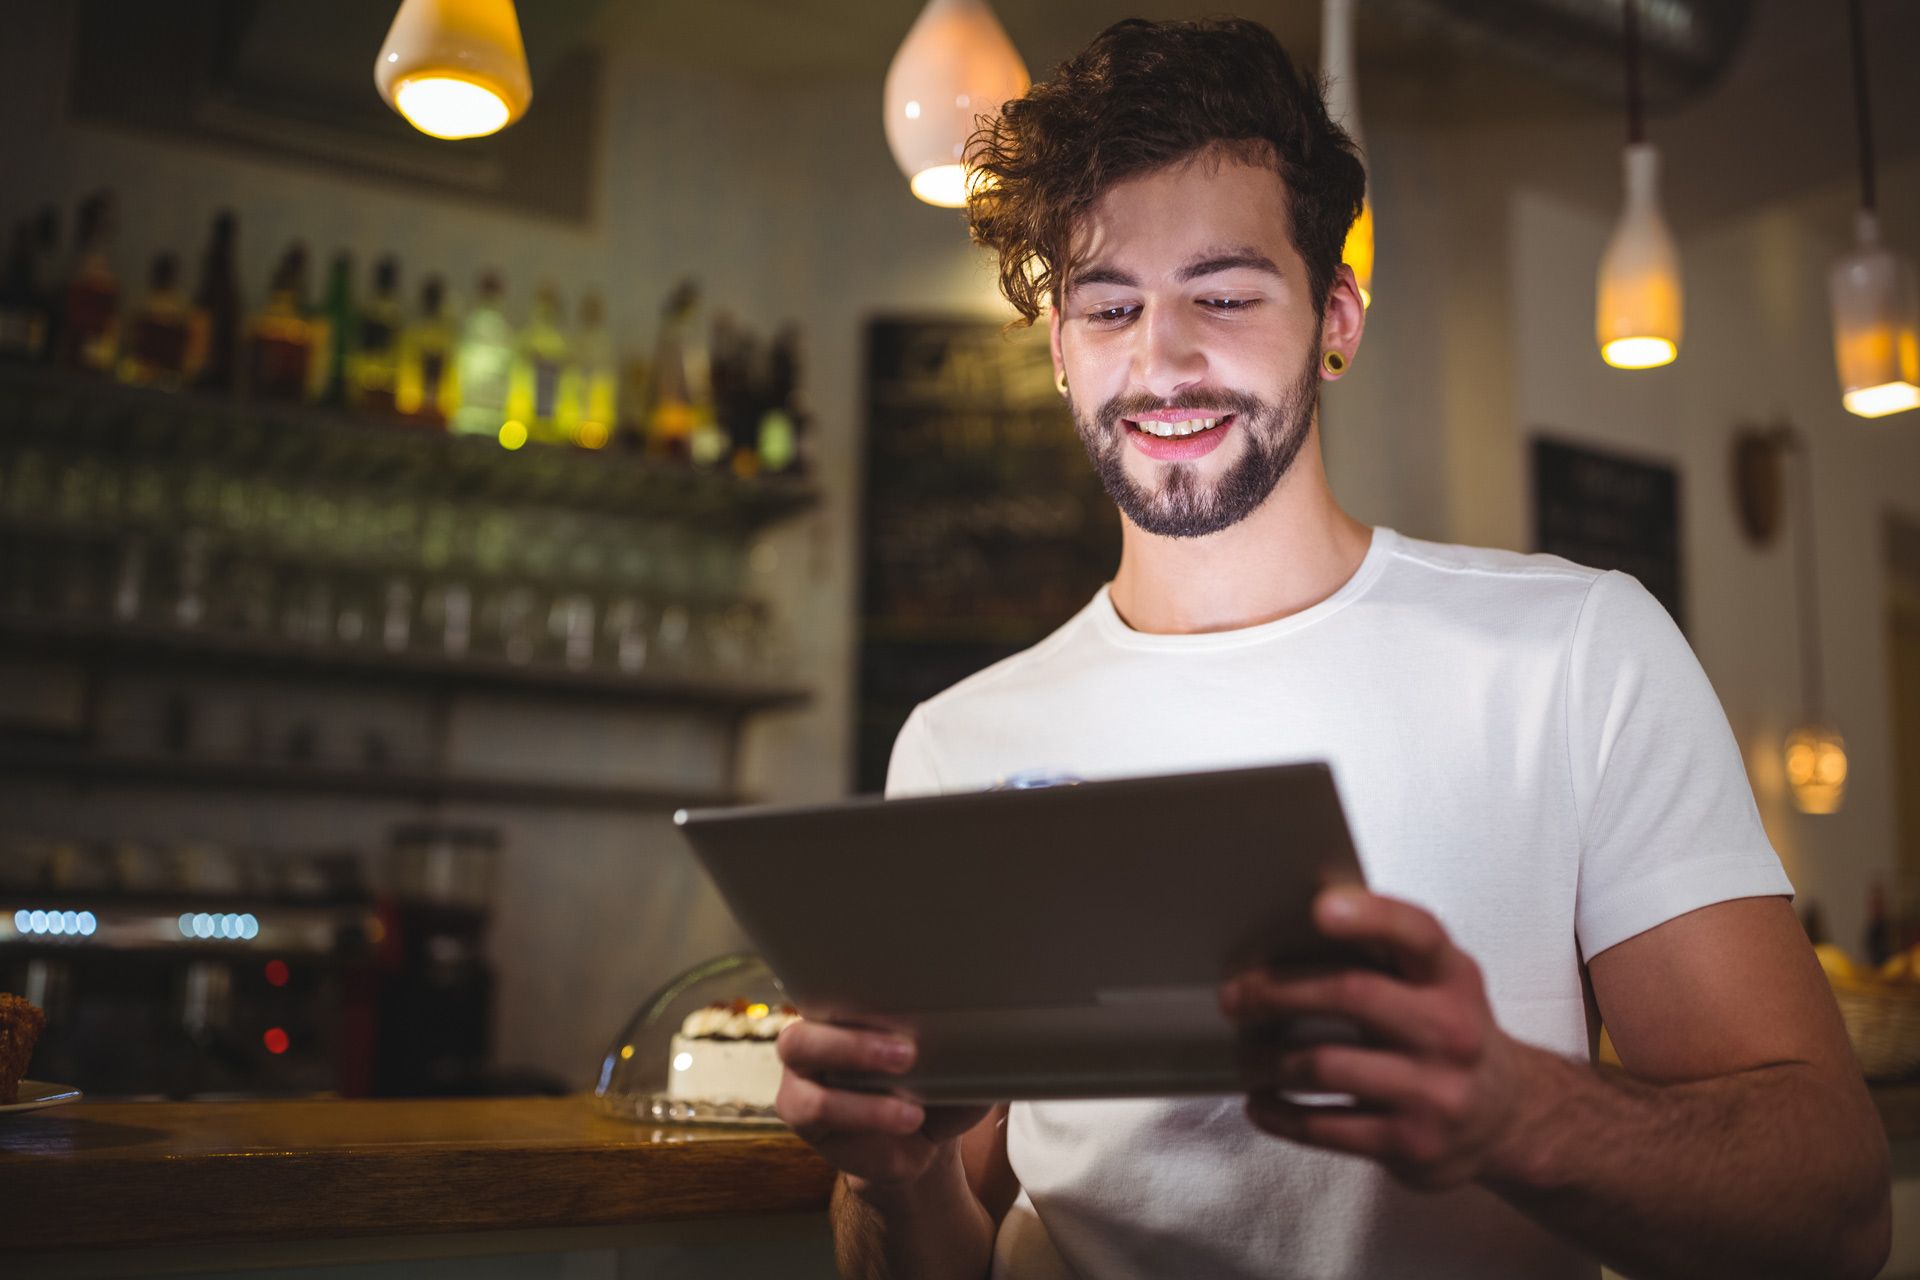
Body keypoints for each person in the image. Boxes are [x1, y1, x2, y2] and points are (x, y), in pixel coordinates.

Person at [776, 17, 1891, 1280]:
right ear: (1059, 352)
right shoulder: (959, 743)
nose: (1164, 359)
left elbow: (1839, 1211)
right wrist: (897, 1177)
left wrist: (1519, 1110)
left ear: (1337, 318)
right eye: (1108, 305)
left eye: (1226, 293)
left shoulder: (1578, 652)